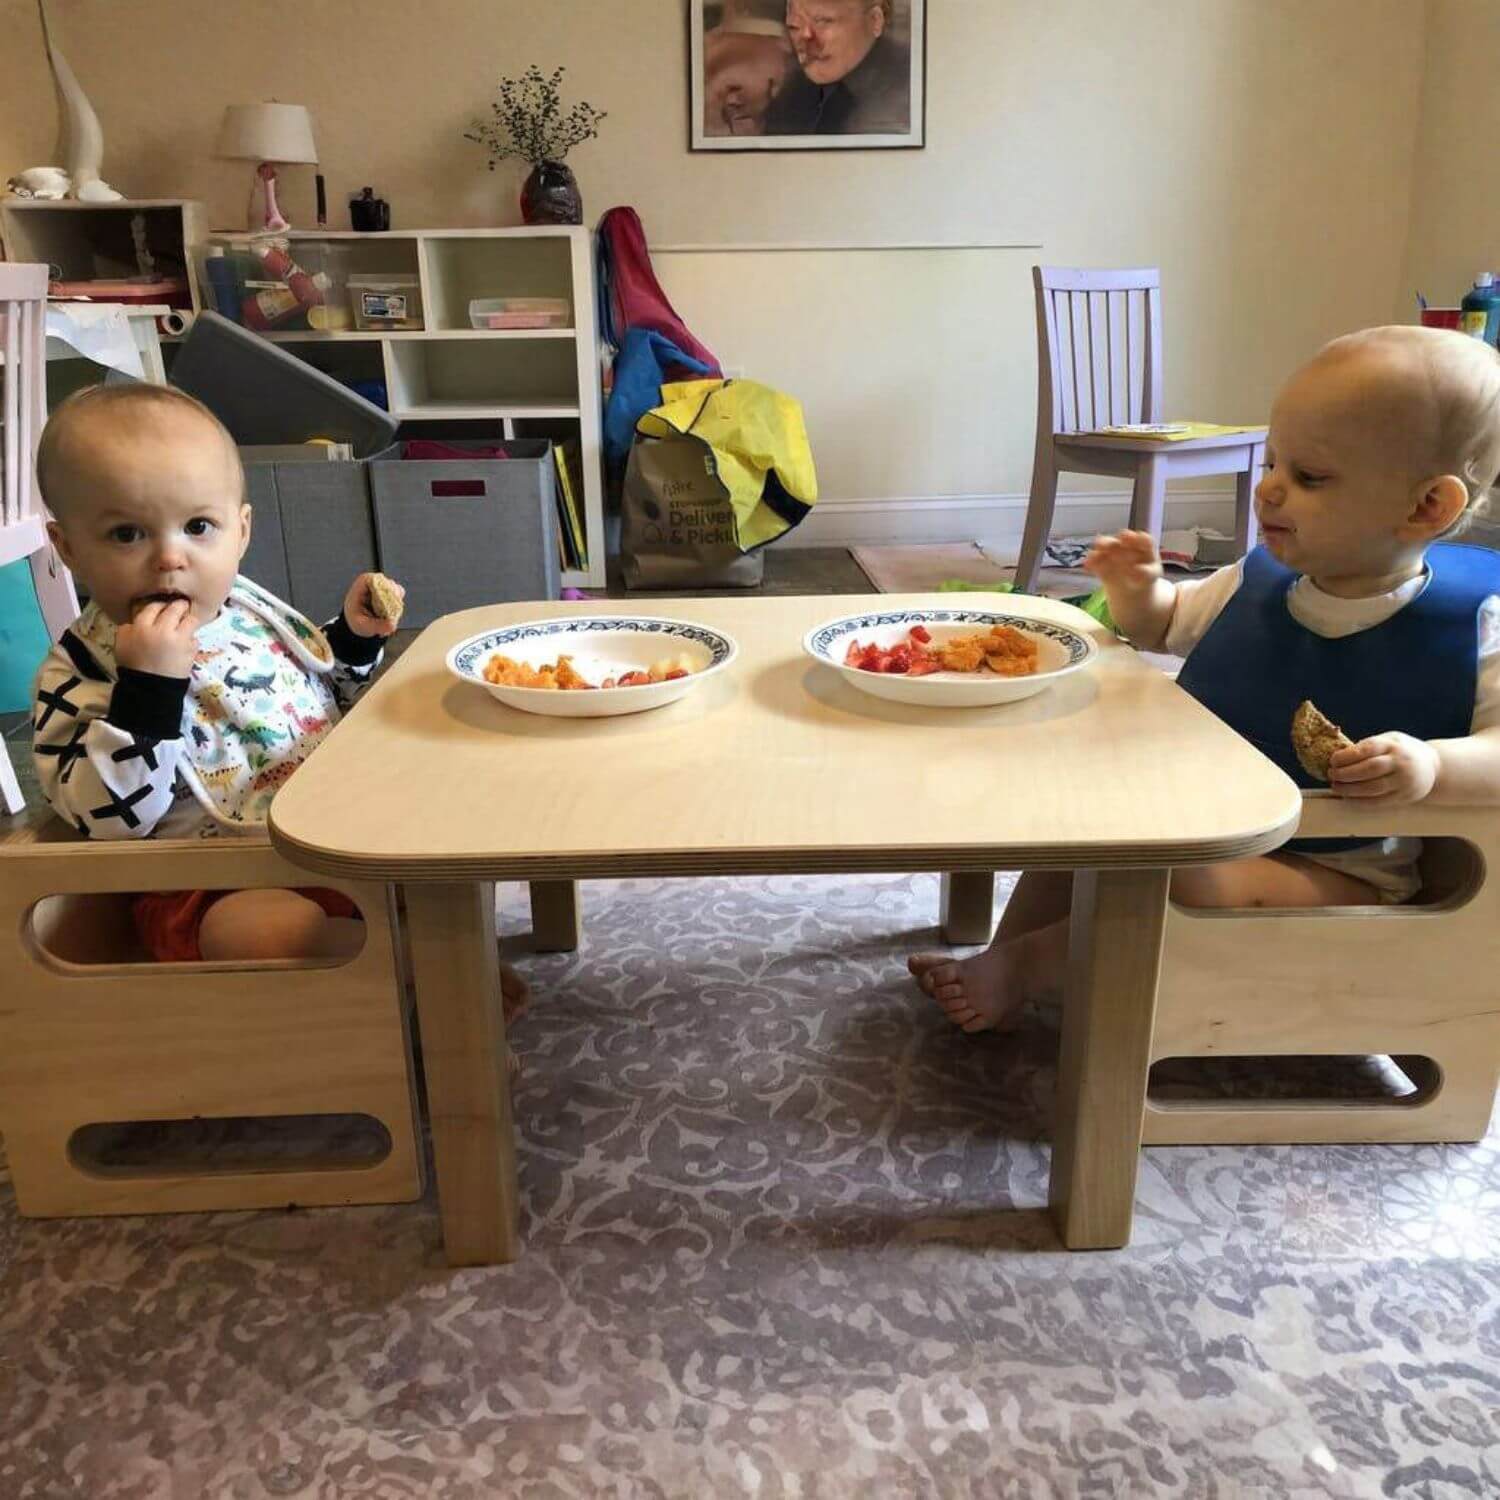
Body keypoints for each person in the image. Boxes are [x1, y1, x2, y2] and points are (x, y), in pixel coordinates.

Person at [911, 326, 1500, 1032]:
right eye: (1275, 462)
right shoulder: (1255, 578)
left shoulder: (1474, 620)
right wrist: (1138, 592)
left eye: (1310, 478)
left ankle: (1031, 969)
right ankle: (1011, 961)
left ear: (1427, 507)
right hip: (1204, 820)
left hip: (1340, 872)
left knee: (1171, 873)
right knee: (1084, 835)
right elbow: (1166, 627)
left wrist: (1433, 763)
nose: (1271, 490)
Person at [28, 383, 529, 1014]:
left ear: (240, 531)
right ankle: (413, 970)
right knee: (270, 931)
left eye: (198, 527)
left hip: (336, 842)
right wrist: (148, 693)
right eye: (127, 534)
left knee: (450, 839)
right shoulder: (81, 668)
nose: (169, 559)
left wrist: (348, 639)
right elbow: (107, 822)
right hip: (207, 888)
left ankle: (421, 946)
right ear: (68, 547)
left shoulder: (249, 613)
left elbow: (324, 700)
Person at [763, 0, 911, 135]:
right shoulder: (790, 98)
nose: (806, 37)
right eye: (794, 26)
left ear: (875, 21)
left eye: (823, 21)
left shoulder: (912, 87)